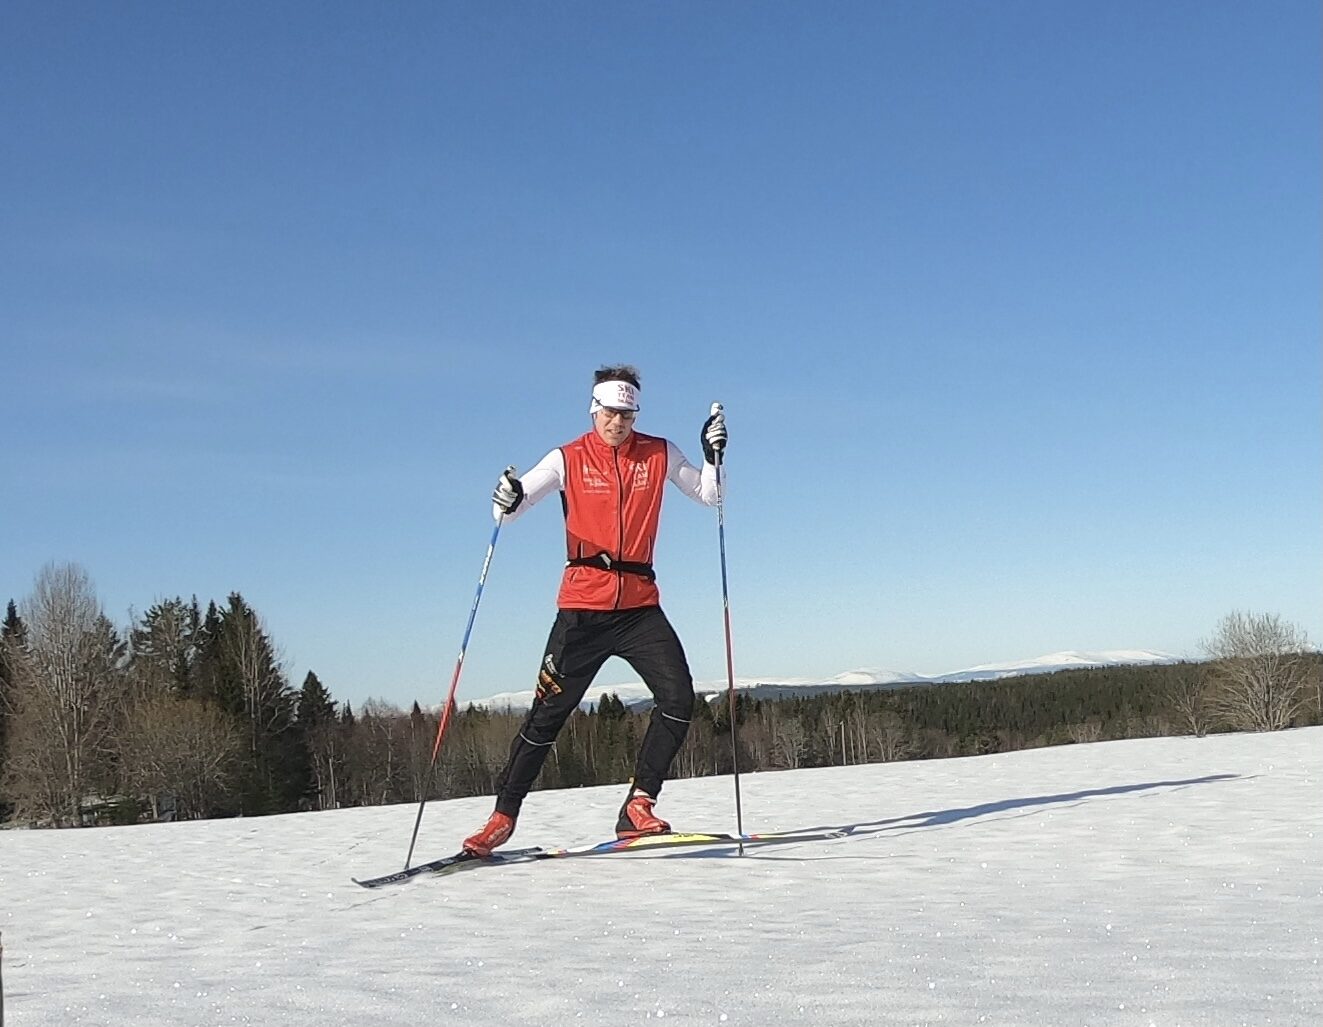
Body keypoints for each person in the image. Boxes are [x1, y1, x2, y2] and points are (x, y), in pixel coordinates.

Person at [462, 365, 728, 855]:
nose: (618, 422)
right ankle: (502, 816)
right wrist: (507, 495)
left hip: (639, 608)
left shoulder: (659, 453)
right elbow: (513, 508)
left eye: (627, 413)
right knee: (547, 716)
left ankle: (638, 805)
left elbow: (711, 495)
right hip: (582, 609)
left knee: (678, 697)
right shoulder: (568, 458)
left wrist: (714, 456)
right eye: (610, 412)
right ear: (595, 409)